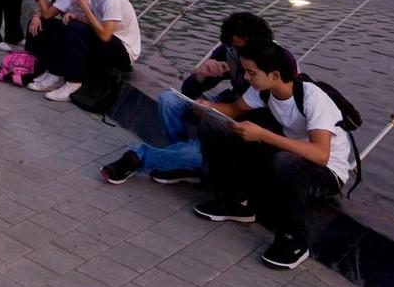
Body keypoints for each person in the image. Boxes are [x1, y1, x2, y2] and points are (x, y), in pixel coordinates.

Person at [190, 43, 356, 270]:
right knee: (213, 126)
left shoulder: (313, 99)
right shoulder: (263, 90)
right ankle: (235, 203)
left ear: (275, 75)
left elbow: (321, 155)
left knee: (284, 161)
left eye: (252, 73)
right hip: (290, 155)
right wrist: (209, 107)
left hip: (326, 173)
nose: (246, 77)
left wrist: (263, 135)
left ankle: (294, 240)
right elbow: (236, 110)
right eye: (246, 71)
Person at [101, 12, 274, 184]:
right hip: (229, 104)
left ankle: (139, 156)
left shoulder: (271, 61)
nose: (236, 53)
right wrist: (202, 75)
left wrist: (212, 108)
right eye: (232, 47)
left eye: (239, 48)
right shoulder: (230, 53)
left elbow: (247, 111)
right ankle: (184, 161)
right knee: (169, 100)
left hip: (249, 119)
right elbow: (188, 90)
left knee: (198, 152)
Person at [39, 0, 141, 102]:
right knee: (68, 26)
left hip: (124, 52)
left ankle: (74, 83)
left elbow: (105, 35)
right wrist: (76, 16)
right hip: (109, 41)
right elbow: (93, 21)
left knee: (75, 30)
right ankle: (56, 73)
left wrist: (84, 8)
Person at [23, 0, 83, 90]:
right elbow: (47, 9)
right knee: (37, 23)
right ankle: (36, 66)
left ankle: (56, 75)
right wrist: (36, 16)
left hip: (79, 33)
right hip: (71, 27)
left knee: (53, 28)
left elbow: (48, 14)